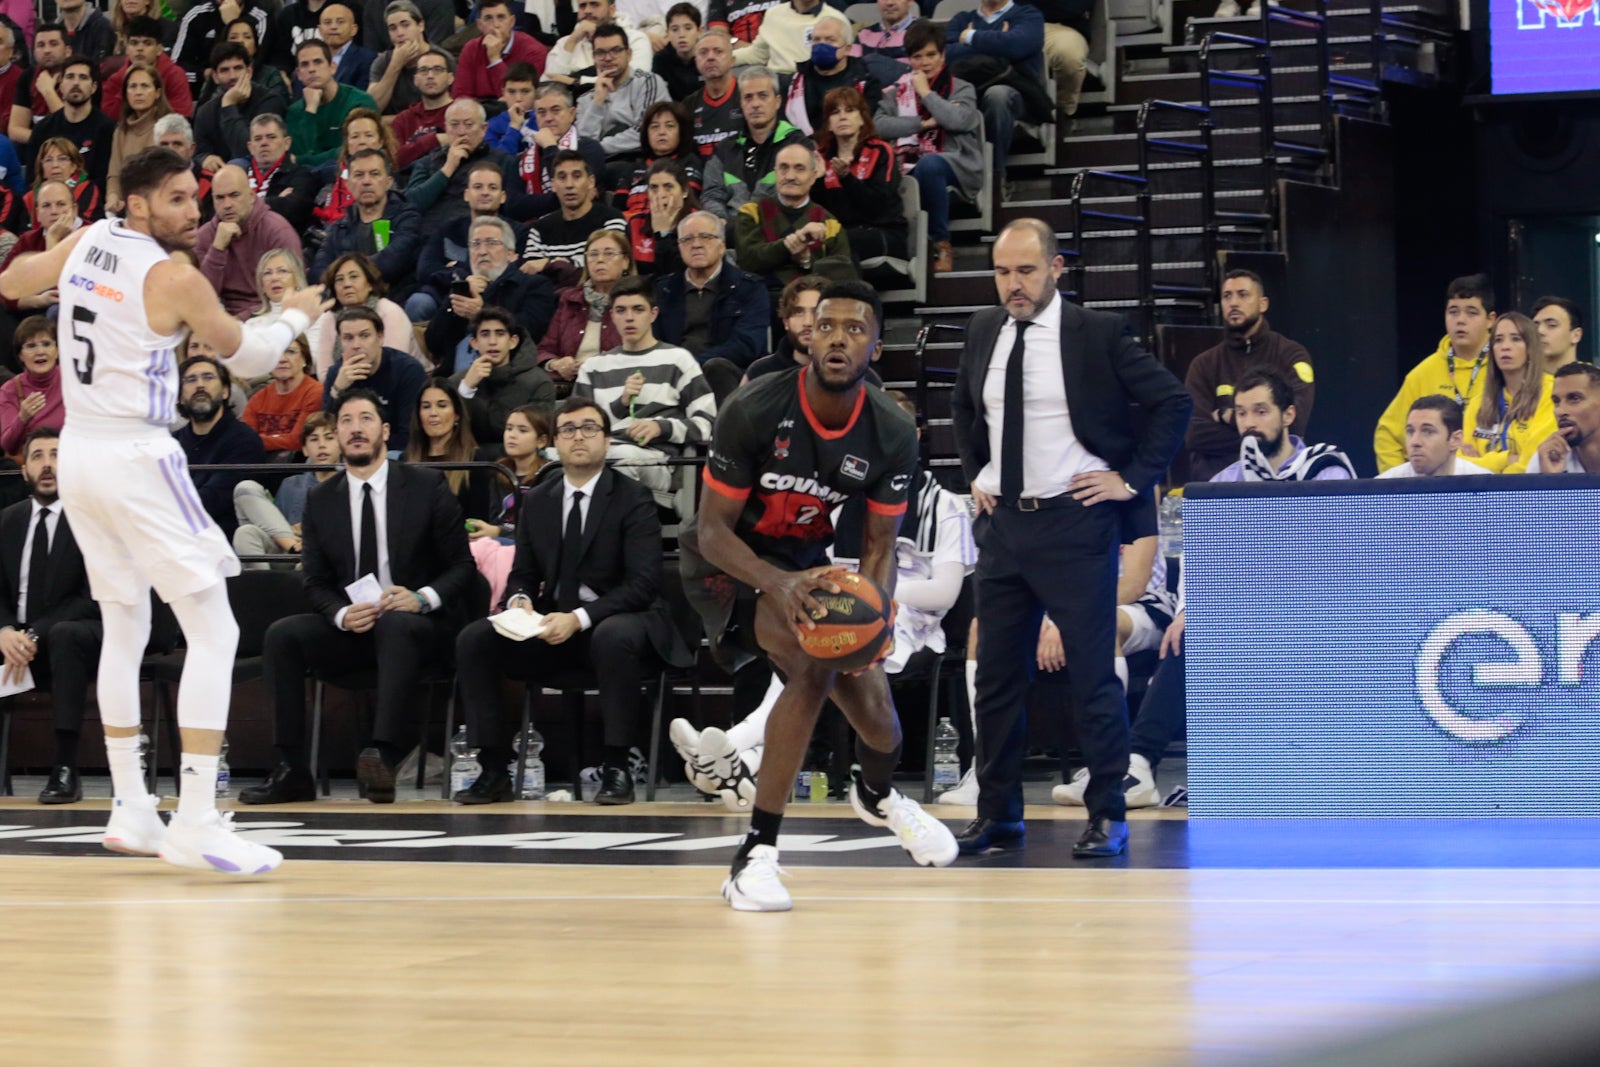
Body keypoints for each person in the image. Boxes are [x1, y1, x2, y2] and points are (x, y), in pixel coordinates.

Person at [0, 145, 331, 873]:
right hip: (136, 454)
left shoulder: (90, 237)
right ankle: (197, 818)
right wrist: (294, 316)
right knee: (215, 625)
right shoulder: (174, 275)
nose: (197, 210)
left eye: (198, 196)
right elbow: (245, 356)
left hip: (78, 451)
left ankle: (130, 805)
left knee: (126, 622)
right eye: (180, 198)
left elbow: (15, 279)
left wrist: (68, 268)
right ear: (140, 203)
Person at [680, 278, 957, 911]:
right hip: (732, 568)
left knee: (879, 717)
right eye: (826, 325)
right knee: (810, 662)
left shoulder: (891, 430)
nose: (838, 337)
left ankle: (878, 794)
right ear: (807, 339)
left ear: (876, 348)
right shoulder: (753, 408)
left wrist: (881, 619)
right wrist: (775, 583)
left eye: (855, 328)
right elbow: (710, 530)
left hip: (806, 562)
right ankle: (754, 854)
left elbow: (881, 547)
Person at [949, 218, 1190, 860]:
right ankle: (997, 813)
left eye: (1026, 270)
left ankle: (1107, 812)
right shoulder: (981, 330)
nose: (1014, 285)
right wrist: (979, 475)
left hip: (1075, 522)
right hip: (1004, 526)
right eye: (1003, 272)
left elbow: (1173, 403)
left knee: (1092, 675)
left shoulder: (1098, 333)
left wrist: (1128, 480)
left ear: (1056, 267)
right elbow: (964, 409)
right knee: (995, 678)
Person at [673, 389, 975, 810]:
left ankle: (741, 755)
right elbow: (819, 568)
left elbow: (945, 592)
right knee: (813, 655)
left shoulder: (945, 506)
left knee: (855, 694)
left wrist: (867, 599)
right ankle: (745, 768)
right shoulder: (845, 498)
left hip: (912, 620)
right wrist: (847, 595)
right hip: (843, 599)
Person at [241, 388, 475, 805]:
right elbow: (314, 580)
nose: (355, 429)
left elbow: (462, 567)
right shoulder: (321, 498)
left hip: (419, 628)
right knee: (283, 635)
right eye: (345, 421)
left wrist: (422, 598)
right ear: (336, 434)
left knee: (398, 625)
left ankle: (383, 755)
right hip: (357, 627)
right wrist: (340, 614)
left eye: (365, 419)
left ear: (385, 430)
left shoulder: (425, 485)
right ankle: (291, 768)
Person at [453, 395, 691, 805]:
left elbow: (643, 583)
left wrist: (578, 618)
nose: (578, 437)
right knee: (475, 639)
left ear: (606, 440)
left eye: (588, 429)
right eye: (568, 430)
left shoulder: (632, 498)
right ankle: (492, 769)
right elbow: (524, 573)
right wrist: (521, 601)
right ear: (554, 443)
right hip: (555, 629)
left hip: (626, 623)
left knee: (612, 635)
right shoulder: (538, 500)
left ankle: (617, 767)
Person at [0, 428, 102, 805]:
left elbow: (90, 597)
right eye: (38, 456)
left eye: (56, 455)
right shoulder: (8, 520)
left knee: (64, 635)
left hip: (80, 633)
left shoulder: (91, 519)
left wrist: (34, 635)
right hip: (18, 636)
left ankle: (64, 768)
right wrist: (4, 630)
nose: (47, 464)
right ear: (24, 469)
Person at [574, 274, 715, 495]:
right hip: (600, 454)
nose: (629, 318)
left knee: (617, 461)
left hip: (655, 460)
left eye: (638, 309)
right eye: (621, 311)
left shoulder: (678, 360)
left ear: (653, 314)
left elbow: (708, 424)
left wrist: (661, 427)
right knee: (549, 460)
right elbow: (576, 426)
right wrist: (619, 404)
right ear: (611, 316)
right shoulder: (592, 367)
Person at [1183, 269, 1316, 481]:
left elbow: (1296, 424)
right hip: (1218, 486)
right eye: (1227, 296)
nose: (1233, 302)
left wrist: (1228, 416)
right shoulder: (1203, 365)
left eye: (1243, 294)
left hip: (1280, 481)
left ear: (1263, 304)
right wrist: (1266, 434)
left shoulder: (1290, 354)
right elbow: (1194, 434)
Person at [874, 21, 980, 275]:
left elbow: (957, 120)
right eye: (917, 56)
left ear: (943, 55)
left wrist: (926, 93)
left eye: (931, 55)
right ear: (909, 60)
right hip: (907, 164)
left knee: (930, 164)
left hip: (955, 162)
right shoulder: (896, 94)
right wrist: (921, 124)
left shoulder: (962, 88)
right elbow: (877, 126)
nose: (925, 62)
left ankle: (941, 243)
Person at [1373, 273, 1496, 474]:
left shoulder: (1504, 368)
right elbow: (1386, 436)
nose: (1461, 320)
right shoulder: (1422, 373)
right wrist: (1404, 481)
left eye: (1471, 312)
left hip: (1491, 484)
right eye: (1453, 312)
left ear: (1491, 319)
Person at [423, 216, 558, 371]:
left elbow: (532, 332)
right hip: (455, 380)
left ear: (511, 254)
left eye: (491, 243)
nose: (482, 251)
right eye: (475, 244)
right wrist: (452, 301)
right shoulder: (463, 287)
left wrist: (481, 312)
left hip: (510, 376)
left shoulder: (535, 285)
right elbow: (433, 343)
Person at [654, 209, 770, 386]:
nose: (696, 244)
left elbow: (748, 345)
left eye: (706, 237)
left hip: (729, 375)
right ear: (679, 247)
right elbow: (654, 342)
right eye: (687, 239)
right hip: (671, 377)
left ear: (722, 245)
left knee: (717, 368)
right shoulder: (663, 290)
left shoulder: (749, 288)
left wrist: (690, 365)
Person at [944, 0, 1047, 191]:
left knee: (997, 95)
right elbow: (946, 54)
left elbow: (1017, 46)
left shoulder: (1028, 15)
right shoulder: (962, 19)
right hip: (970, 92)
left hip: (1018, 93)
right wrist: (1000, 41)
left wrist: (969, 36)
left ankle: (995, 178)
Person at [735, 141, 858, 298]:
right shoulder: (751, 212)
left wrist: (806, 260)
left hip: (812, 304)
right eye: (784, 168)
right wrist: (789, 245)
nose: (790, 176)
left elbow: (840, 279)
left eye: (799, 169)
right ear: (775, 173)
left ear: (814, 176)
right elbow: (748, 260)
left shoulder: (830, 223)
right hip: (759, 298)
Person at [173, 353, 268, 536]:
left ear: (225, 391)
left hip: (223, 544)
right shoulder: (171, 444)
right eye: (191, 380)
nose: (200, 385)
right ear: (180, 397)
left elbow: (214, 500)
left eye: (208, 377)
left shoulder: (244, 440)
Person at [233, 410, 342, 566]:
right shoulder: (290, 484)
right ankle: (292, 552)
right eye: (314, 439)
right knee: (245, 493)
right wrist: (292, 538)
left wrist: (308, 531)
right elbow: (274, 525)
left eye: (329, 438)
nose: (322, 445)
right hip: (288, 553)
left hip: (324, 554)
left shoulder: (350, 484)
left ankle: (298, 553)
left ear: (341, 445)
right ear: (305, 449)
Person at [811, 85, 904, 264]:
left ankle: (849, 292)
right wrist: (819, 182)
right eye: (835, 112)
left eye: (850, 110)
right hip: (840, 231)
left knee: (841, 241)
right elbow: (821, 213)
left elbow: (879, 208)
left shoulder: (880, 151)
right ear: (828, 123)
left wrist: (847, 179)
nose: (843, 117)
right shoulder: (821, 157)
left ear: (862, 118)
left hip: (883, 231)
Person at [197, 164, 304, 318]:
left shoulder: (277, 231)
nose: (227, 205)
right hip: (219, 321)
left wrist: (239, 322)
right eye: (220, 198)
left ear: (252, 196)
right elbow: (200, 298)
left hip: (269, 317)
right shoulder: (205, 236)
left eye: (234, 195)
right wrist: (217, 249)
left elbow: (293, 290)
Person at [405, 98, 520, 242]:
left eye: (468, 125)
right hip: (430, 239)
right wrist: (448, 168)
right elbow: (411, 204)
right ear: (446, 128)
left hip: (481, 239)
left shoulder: (503, 161)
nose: (461, 132)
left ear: (483, 129)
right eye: (454, 125)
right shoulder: (427, 162)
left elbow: (512, 208)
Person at [308, 148, 423, 291]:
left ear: (388, 182)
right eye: (359, 175)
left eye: (374, 174)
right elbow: (318, 271)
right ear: (349, 185)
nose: (366, 181)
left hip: (395, 299)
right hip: (346, 303)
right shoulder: (339, 227)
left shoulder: (407, 217)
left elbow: (392, 263)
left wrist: (345, 276)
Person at [320, 305, 429, 453]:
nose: (356, 345)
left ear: (380, 337)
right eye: (348, 338)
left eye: (364, 336)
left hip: (394, 451)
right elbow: (327, 433)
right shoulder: (336, 374)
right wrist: (337, 390)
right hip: (349, 451)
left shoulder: (407, 371)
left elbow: (409, 436)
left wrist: (365, 446)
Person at [1211, 368, 1354, 482]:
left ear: (1288, 415)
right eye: (1241, 413)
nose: (1248, 423)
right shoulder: (1226, 481)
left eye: (1261, 412)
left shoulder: (1325, 472)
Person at [701, 66, 807, 219]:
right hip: (728, 234)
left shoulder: (798, 145)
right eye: (748, 97)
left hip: (778, 231)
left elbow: (794, 197)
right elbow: (711, 195)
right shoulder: (725, 149)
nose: (755, 104)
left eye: (763, 96)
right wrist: (722, 225)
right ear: (741, 104)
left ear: (777, 102)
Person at [1459, 312, 1556, 475]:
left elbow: (1534, 462)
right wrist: (1505, 459)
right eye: (1498, 340)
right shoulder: (1478, 404)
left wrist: (1482, 465)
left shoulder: (1551, 393)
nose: (1505, 346)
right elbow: (1461, 465)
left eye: (1515, 339)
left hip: (1530, 492)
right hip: (1483, 496)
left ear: (1530, 347)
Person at [447, 305, 558, 439]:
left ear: (513, 342)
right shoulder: (456, 382)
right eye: (485, 334)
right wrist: (466, 389)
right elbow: (451, 435)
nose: (492, 342)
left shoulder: (539, 383)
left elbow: (530, 436)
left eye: (500, 334)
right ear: (474, 343)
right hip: (466, 457)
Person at [538, 228, 632, 385]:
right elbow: (544, 350)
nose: (600, 260)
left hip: (618, 385)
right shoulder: (569, 299)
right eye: (593, 254)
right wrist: (556, 364)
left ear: (625, 262)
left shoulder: (636, 302)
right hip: (570, 386)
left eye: (609, 254)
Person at [575, 22, 670, 170]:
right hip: (602, 170)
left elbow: (645, 132)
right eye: (600, 52)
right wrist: (598, 101)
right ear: (594, 57)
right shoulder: (585, 99)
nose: (608, 58)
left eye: (615, 50)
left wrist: (599, 148)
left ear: (629, 54)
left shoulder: (648, 82)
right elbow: (585, 145)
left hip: (644, 163)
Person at [312, 252, 424, 376]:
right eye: (339, 280)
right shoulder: (330, 317)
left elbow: (393, 367)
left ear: (370, 284)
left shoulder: (389, 311)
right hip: (345, 385)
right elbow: (323, 373)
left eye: (354, 277)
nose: (347, 284)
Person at [521, 150, 628, 277]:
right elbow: (531, 270)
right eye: (562, 177)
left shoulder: (611, 218)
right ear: (553, 185)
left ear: (591, 182)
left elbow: (608, 264)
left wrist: (552, 265)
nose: (569, 185)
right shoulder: (540, 228)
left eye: (577, 176)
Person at [511, 83, 609, 218]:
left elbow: (581, 197)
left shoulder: (589, 149)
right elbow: (513, 206)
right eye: (541, 112)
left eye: (555, 110)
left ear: (572, 114)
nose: (548, 118)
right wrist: (557, 199)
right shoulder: (522, 159)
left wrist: (550, 147)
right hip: (537, 231)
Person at [404, 380, 495, 520]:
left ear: (457, 414)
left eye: (442, 405)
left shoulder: (474, 460)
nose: (433, 413)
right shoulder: (406, 460)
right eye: (426, 407)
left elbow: (479, 519)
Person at [191, 42, 289, 169]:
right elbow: (198, 152)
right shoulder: (205, 111)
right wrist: (205, 158)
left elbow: (251, 151)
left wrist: (229, 105)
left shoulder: (270, 100)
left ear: (249, 71)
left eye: (238, 68)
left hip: (262, 172)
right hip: (218, 178)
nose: (232, 76)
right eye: (224, 70)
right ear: (215, 77)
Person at [286, 39, 379, 172]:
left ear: (332, 67)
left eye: (318, 62)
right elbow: (299, 156)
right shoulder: (294, 112)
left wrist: (306, 160)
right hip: (308, 181)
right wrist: (310, 111)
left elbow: (356, 150)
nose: (312, 69)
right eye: (305, 65)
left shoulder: (359, 102)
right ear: (298, 74)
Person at [781, 15, 882, 137]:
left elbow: (865, 127)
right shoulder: (793, 84)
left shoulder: (866, 83)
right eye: (816, 40)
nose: (821, 45)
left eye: (830, 40)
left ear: (847, 49)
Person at [465, 402, 550, 543]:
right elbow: (495, 519)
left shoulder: (548, 475)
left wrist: (498, 532)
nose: (512, 435)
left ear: (541, 441)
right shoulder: (499, 471)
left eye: (522, 430)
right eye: (509, 429)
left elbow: (542, 529)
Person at [30, 57, 116, 193]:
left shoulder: (107, 128)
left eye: (83, 77)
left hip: (90, 203)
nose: (76, 83)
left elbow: (102, 180)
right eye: (70, 77)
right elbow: (33, 179)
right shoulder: (43, 129)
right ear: (61, 85)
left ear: (93, 87)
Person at [106, 64, 175, 215]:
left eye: (144, 86)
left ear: (157, 93)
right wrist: (113, 196)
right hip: (127, 206)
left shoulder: (168, 127)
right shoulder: (121, 130)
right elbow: (114, 174)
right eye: (133, 87)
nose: (138, 92)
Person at [237, 113, 321, 233]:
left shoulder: (301, 175)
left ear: (287, 143)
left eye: (271, 137)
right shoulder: (238, 177)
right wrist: (276, 200)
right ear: (250, 147)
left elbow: (293, 209)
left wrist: (243, 205)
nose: (264, 143)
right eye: (258, 138)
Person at [100, 16, 195, 121]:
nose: (140, 48)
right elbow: (109, 119)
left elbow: (180, 117)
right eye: (134, 43)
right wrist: (125, 87)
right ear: (127, 48)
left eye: (147, 43)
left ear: (159, 49)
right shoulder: (116, 79)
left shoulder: (175, 75)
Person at [454, 0, 551, 103]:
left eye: (501, 17)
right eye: (488, 18)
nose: (495, 25)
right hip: (479, 112)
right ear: (479, 25)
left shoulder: (533, 51)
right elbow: (460, 96)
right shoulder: (471, 49)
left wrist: (495, 60)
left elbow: (520, 100)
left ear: (512, 22)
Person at [1375, 394, 1492, 478]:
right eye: (1410, 431)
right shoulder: (1383, 489)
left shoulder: (1486, 487)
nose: (1415, 442)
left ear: (1455, 440)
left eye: (1428, 432)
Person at [242, 336, 324, 454]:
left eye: (290, 352)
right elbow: (243, 441)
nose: (281, 359)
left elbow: (298, 440)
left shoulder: (315, 393)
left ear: (305, 358)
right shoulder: (257, 398)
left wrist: (258, 441)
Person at [171, 0, 272, 94]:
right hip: (202, 93)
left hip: (251, 89)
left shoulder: (260, 16)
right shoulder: (196, 15)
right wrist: (205, 74)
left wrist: (232, 23)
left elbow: (256, 64)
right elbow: (176, 69)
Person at [619, 102, 703, 215]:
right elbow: (617, 208)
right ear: (646, 133)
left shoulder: (690, 162)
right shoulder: (634, 167)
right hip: (631, 226)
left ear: (681, 131)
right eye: (655, 127)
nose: (662, 132)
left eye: (670, 126)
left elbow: (687, 203)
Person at [544, 0, 653, 85]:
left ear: (612, 10)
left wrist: (575, 81)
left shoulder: (635, 39)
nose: (587, 11)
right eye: (582, 6)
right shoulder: (565, 43)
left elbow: (633, 82)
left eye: (594, 4)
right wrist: (572, 41)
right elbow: (547, 85)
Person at [0, 317, 65, 454]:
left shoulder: (72, 380)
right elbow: (8, 446)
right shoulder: (9, 390)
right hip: (33, 469)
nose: (40, 351)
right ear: (20, 356)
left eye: (46, 344)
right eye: (31, 346)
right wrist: (22, 418)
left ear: (57, 350)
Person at [1022, 0, 1090, 124]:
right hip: (1019, 25)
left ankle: (1060, 112)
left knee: (1069, 54)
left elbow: (1074, 7)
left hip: (1063, 28)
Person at [734, 0, 848, 74]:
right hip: (776, 85)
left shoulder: (836, 19)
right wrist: (723, 57)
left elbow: (844, 63)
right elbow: (757, 54)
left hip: (814, 83)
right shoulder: (773, 14)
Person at [625, 158, 696, 277]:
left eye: (668, 186)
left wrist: (663, 235)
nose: (660, 194)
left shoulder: (699, 223)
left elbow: (679, 275)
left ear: (684, 191)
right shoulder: (635, 223)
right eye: (654, 187)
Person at [389, 46, 456, 170]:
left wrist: (414, 149)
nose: (430, 75)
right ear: (416, 80)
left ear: (450, 78)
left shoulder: (461, 113)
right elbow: (393, 160)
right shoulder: (403, 120)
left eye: (437, 69)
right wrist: (434, 140)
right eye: (424, 70)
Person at [252, 247, 325, 357]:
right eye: (267, 273)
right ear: (262, 286)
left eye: (282, 271)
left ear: (297, 278)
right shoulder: (252, 325)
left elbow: (314, 358)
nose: (274, 278)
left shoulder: (316, 317)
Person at [1530, 363, 1600, 474]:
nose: (1560, 411)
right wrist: (1551, 480)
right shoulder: (1546, 458)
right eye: (1556, 402)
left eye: (1574, 399)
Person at [366, 0, 432, 115]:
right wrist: (396, 64)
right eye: (393, 28)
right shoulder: (382, 62)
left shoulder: (440, 59)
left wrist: (390, 121)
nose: (399, 33)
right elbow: (370, 110)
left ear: (421, 25)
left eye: (405, 25)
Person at [686, 28, 742, 159]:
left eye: (718, 51)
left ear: (732, 60)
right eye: (703, 53)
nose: (710, 57)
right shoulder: (688, 105)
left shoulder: (748, 96)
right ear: (696, 62)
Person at [23, 140, 103, 226]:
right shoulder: (29, 198)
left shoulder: (88, 190)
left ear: (73, 166)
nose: (55, 165)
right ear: (42, 169)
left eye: (62, 159)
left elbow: (86, 225)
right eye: (48, 160)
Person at [855, 0, 917, 84]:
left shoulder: (925, 32)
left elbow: (922, 74)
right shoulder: (863, 34)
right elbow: (851, 72)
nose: (889, 3)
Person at [318, 2, 376, 91]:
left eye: (340, 22)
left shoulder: (367, 58)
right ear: (320, 30)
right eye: (327, 22)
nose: (333, 27)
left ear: (354, 29)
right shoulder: (312, 59)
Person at [655, 3, 704, 100]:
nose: (681, 35)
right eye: (675, 29)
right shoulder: (660, 60)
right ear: (667, 33)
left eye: (688, 28)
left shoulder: (707, 56)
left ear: (700, 31)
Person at [1531, 296, 1584, 373]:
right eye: (1535, 326)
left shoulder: (1594, 380)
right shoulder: (1522, 382)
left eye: (1552, 325)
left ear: (1576, 335)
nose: (1540, 331)